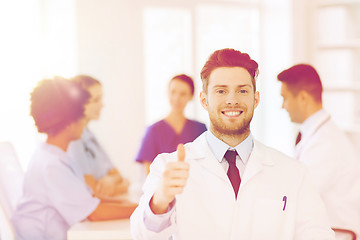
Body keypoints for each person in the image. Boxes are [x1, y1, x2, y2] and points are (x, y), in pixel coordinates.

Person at [130, 49, 335, 240]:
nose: (232, 100)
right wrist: (159, 202)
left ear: (256, 99)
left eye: (242, 91)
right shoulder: (167, 166)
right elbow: (141, 234)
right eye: (220, 91)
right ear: (203, 100)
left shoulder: (293, 173)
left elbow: (318, 234)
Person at [12, 77, 137, 240]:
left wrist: (140, 205)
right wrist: (145, 209)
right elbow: (95, 213)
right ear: (70, 121)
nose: (84, 121)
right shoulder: (52, 165)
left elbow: (91, 198)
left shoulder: (52, 155)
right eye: (81, 115)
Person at [277, 64, 360, 239]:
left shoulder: (326, 142)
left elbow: (299, 195)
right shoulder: (316, 135)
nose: (282, 106)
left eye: (285, 98)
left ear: (303, 98)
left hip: (337, 233)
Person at [67, 75, 129, 198]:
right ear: (78, 104)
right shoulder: (74, 140)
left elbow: (121, 177)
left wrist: (111, 181)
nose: (102, 105)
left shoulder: (89, 135)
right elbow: (92, 191)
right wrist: (119, 185)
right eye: (96, 100)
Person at [135, 74, 207, 175]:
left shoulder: (200, 129)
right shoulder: (153, 131)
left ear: (191, 96)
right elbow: (149, 174)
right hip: (163, 188)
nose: (176, 98)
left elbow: (206, 166)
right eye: (173, 92)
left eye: (183, 94)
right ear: (167, 93)